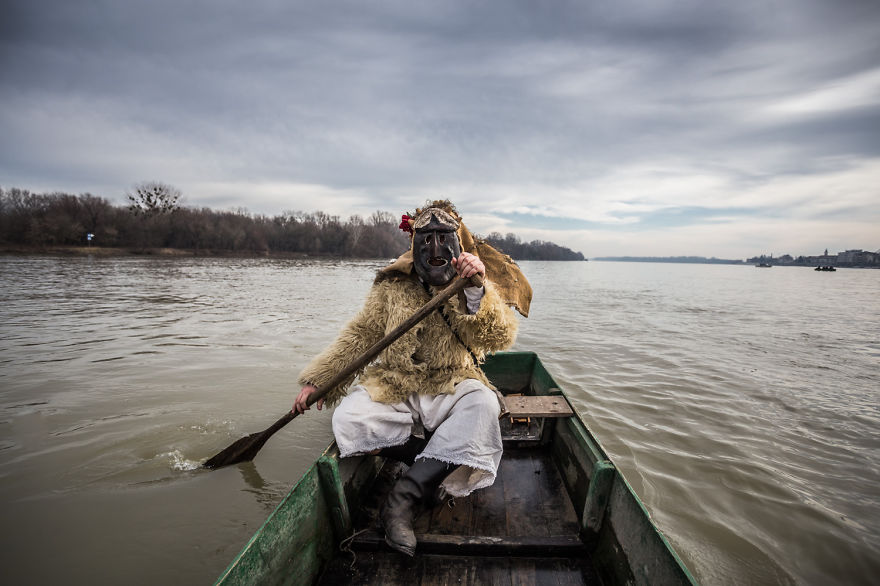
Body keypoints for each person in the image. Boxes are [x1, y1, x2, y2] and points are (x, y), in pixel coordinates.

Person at [292, 200, 531, 556]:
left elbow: (498, 338)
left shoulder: (471, 284)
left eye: (443, 238)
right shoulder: (392, 285)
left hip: (451, 382)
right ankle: (429, 459)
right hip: (396, 383)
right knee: (347, 419)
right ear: (414, 243)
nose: (435, 248)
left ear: (456, 243)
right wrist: (319, 380)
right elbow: (361, 335)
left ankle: (402, 500)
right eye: (426, 239)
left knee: (482, 404)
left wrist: (476, 290)